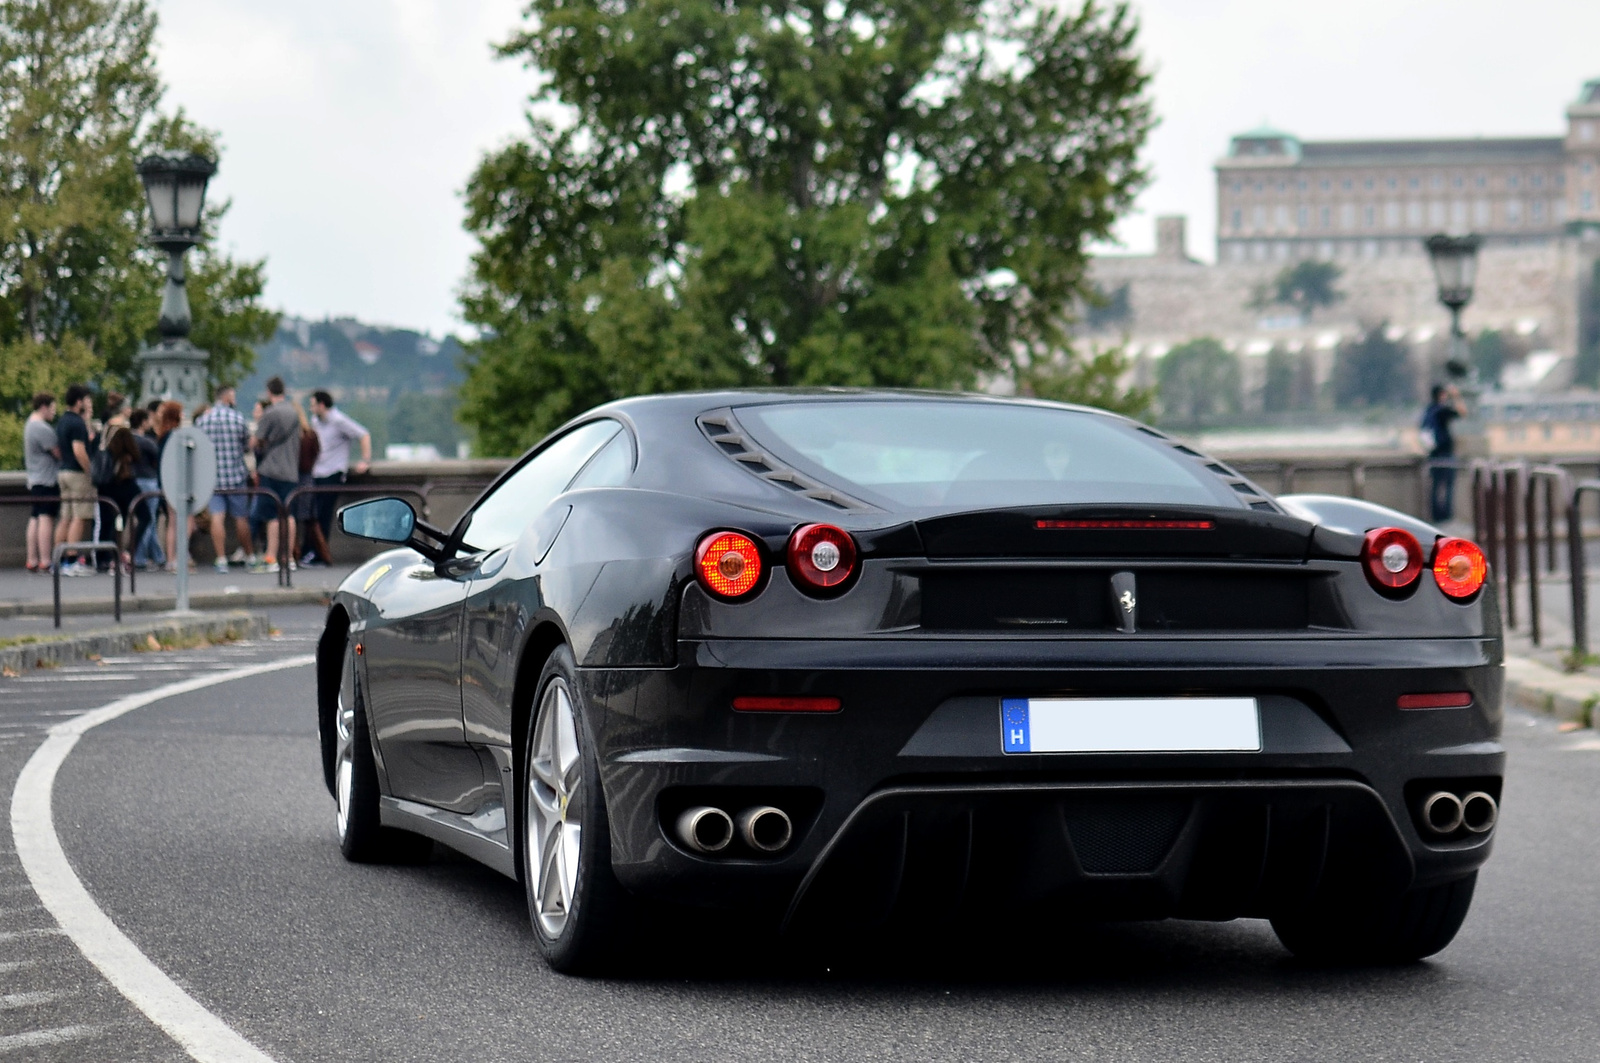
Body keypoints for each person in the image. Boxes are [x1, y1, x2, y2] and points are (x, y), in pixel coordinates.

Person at [305, 391, 370, 567]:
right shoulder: (316, 421)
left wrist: (365, 460)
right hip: (318, 472)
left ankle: (320, 555)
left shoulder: (338, 420)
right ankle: (312, 551)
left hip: (333, 472)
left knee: (323, 514)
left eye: (313, 405)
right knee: (313, 513)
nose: (311, 409)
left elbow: (363, 434)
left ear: (322, 405)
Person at [196, 385, 256, 573]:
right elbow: (247, 445)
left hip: (214, 478)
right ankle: (250, 556)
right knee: (241, 519)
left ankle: (221, 559)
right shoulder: (237, 418)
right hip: (236, 476)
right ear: (228, 397)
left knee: (217, 518)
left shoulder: (204, 421)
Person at [248, 377, 301, 574]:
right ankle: (289, 557)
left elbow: (257, 440)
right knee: (290, 515)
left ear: (269, 392)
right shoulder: (294, 413)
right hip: (290, 470)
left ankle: (271, 556)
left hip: (271, 469)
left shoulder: (270, 413)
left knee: (272, 515)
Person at [54, 384, 97, 575]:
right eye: (86, 401)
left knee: (66, 516)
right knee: (79, 517)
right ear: (79, 401)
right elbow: (79, 450)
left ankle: (59, 557)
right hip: (77, 474)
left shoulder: (63, 421)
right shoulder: (77, 423)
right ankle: (72, 560)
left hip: (63, 472)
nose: (88, 404)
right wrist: (90, 471)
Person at [23, 392, 60, 573]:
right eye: (52, 409)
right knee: (46, 518)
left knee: (35, 517)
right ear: (44, 407)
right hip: (47, 479)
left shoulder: (29, 425)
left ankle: (32, 559)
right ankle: (46, 560)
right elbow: (57, 453)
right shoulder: (42, 428)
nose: (54, 413)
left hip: (34, 478)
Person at [154, 401, 193, 572]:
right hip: (179, 483)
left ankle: (171, 558)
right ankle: (179, 555)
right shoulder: (176, 436)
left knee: (172, 522)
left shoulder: (162, 436)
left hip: (166, 482)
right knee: (186, 520)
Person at [1423, 383, 1467, 523]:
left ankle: (1436, 516)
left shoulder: (1429, 410)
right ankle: (1446, 517)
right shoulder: (1442, 411)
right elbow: (1462, 412)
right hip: (1445, 454)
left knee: (1435, 486)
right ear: (1441, 395)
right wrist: (1456, 396)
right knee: (1448, 486)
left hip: (1433, 454)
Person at [126, 409, 165, 570]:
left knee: (143, 519)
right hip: (148, 480)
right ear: (143, 422)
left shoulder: (127, 440)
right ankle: (140, 557)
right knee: (149, 520)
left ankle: (157, 556)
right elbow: (158, 458)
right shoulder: (146, 442)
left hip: (133, 480)